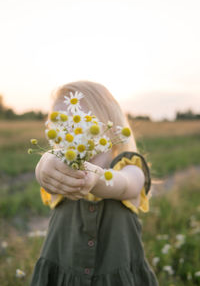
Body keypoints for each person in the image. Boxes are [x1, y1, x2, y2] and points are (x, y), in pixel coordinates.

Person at [30, 80, 159, 286]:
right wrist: (44, 164)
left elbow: (124, 184)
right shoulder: (62, 175)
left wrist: (95, 178)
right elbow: (46, 177)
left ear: (110, 127)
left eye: (81, 123)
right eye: (62, 125)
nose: (72, 134)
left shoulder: (130, 169)